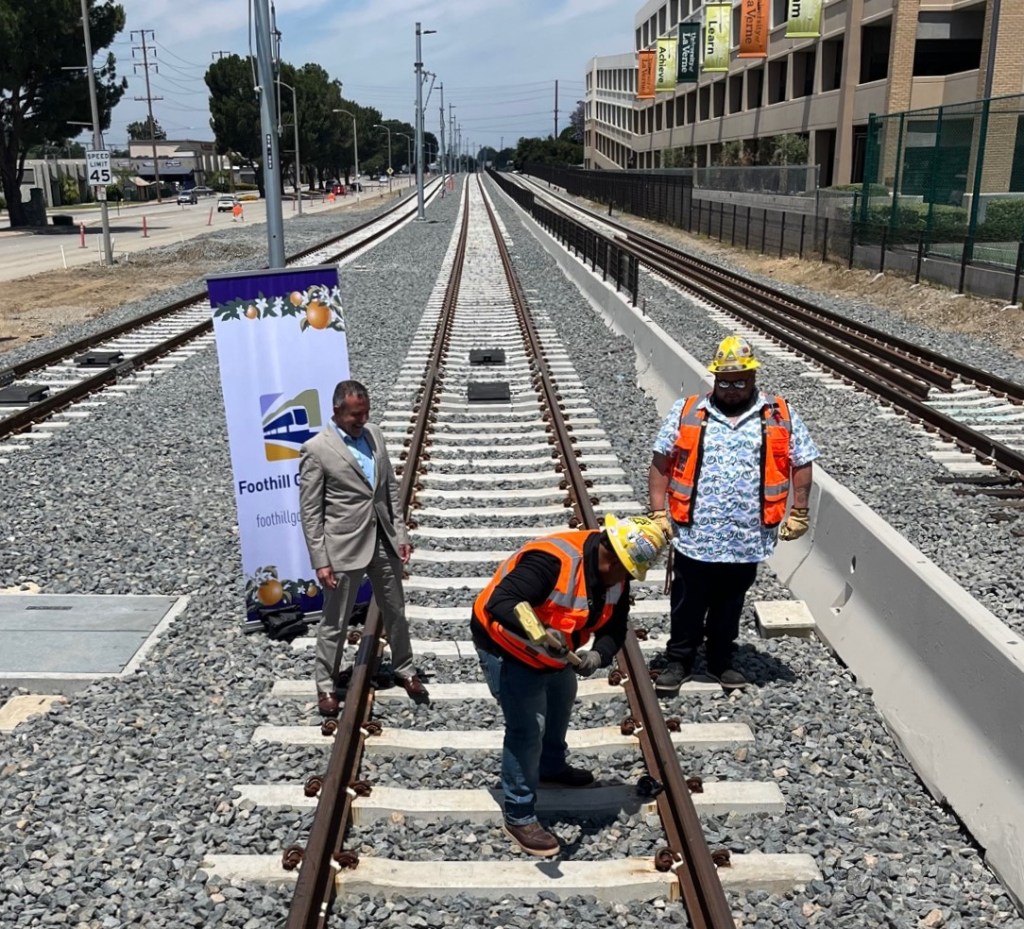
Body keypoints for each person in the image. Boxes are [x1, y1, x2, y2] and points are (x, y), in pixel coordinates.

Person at [472, 513, 668, 858]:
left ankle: (550, 767)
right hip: (506, 646)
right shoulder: (553, 561)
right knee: (527, 727)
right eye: (624, 570)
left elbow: (615, 627)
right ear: (609, 552)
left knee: (562, 700)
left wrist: (599, 655)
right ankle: (519, 814)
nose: (626, 579)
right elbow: (500, 602)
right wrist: (537, 633)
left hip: (556, 653)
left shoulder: (617, 577)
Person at [648, 335, 819, 693]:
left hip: (747, 537)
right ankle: (679, 659)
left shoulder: (779, 414)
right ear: (714, 379)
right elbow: (662, 461)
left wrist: (799, 511)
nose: (730, 389)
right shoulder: (687, 411)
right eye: (724, 382)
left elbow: (801, 461)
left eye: (739, 381)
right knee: (687, 600)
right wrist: (657, 512)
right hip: (695, 534)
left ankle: (720, 660)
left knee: (730, 601)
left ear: (754, 377)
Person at [298, 379, 428, 716]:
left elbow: (388, 491)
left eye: (366, 412)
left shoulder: (375, 434)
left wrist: (400, 534)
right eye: (356, 414)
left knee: (395, 610)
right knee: (335, 621)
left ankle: (405, 668)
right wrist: (320, 560)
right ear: (337, 411)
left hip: (383, 539)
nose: (362, 419)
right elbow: (310, 511)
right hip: (343, 546)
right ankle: (326, 685)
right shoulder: (317, 449)